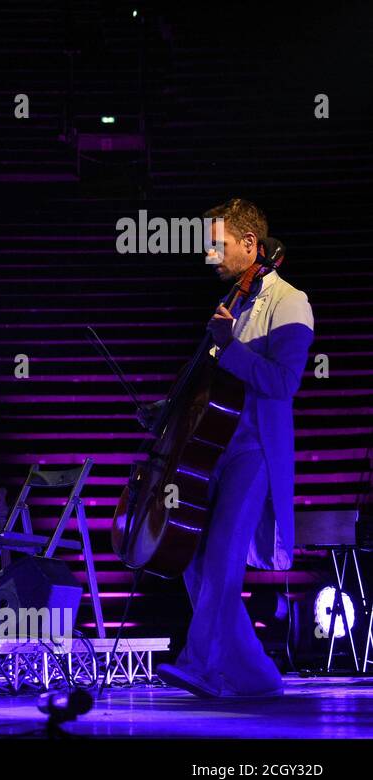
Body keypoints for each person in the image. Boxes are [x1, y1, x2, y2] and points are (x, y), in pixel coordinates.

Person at [157, 198, 314, 698]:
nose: (210, 254)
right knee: (193, 556)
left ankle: (200, 662)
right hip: (214, 447)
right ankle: (257, 675)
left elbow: (282, 382)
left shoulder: (291, 301)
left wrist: (227, 345)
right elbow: (211, 378)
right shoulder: (238, 300)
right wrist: (168, 409)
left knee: (223, 557)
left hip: (254, 451)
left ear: (250, 244)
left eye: (217, 244)